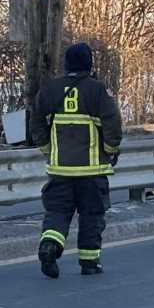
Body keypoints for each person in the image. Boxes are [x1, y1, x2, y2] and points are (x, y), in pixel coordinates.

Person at [33, 42, 122, 278]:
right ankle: (89, 263)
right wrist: (111, 150)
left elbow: (37, 123)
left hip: (60, 171)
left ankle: (49, 245)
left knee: (58, 213)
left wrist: (47, 149)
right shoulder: (97, 91)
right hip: (92, 172)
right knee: (92, 216)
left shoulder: (50, 90)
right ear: (89, 64)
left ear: (66, 65)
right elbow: (113, 124)